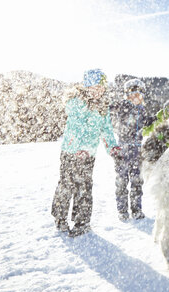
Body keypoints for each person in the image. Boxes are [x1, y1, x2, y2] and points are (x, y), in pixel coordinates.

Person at [51, 69, 120, 237]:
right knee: (66, 185)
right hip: (71, 151)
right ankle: (60, 218)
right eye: (93, 87)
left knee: (84, 186)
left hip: (88, 154)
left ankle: (82, 221)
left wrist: (112, 146)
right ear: (86, 86)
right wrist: (79, 148)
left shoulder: (103, 107)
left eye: (101, 88)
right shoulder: (77, 102)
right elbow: (76, 127)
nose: (97, 91)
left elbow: (106, 129)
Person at [110, 78, 153, 220]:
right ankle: (122, 210)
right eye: (132, 94)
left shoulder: (143, 111)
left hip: (137, 151)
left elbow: (150, 123)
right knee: (121, 180)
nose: (135, 97)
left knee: (136, 181)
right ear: (126, 96)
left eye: (138, 94)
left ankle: (136, 209)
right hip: (123, 149)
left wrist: (155, 119)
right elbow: (112, 112)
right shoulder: (122, 107)